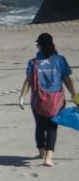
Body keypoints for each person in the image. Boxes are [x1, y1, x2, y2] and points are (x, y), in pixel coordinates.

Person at [19, 33, 76, 167]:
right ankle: (49, 157)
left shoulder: (33, 62)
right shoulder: (60, 60)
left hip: (37, 100)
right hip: (56, 100)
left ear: (38, 45)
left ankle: (41, 151)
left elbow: (28, 81)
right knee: (52, 127)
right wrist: (73, 94)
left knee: (39, 125)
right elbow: (66, 79)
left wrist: (21, 96)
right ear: (52, 44)